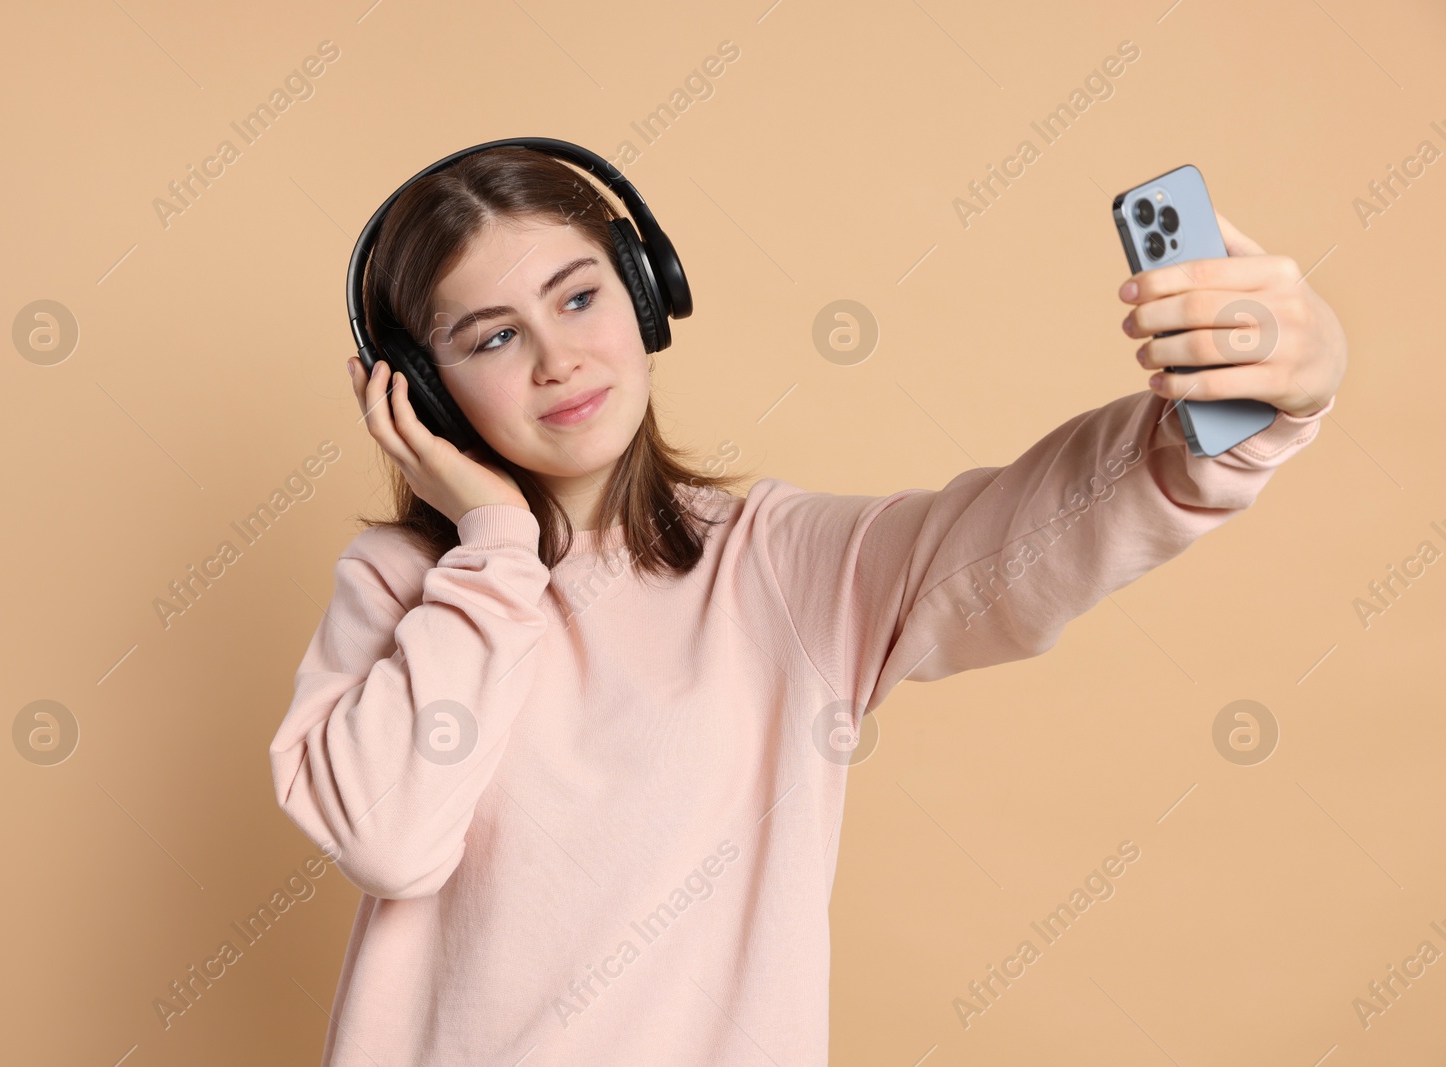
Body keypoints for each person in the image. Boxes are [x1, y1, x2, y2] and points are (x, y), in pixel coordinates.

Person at [267, 146, 1346, 1066]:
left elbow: (1025, 534)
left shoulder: (776, 563)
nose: (559, 358)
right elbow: (390, 840)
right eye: (492, 337)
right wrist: (495, 547)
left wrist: (1245, 415)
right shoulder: (401, 586)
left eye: (580, 295)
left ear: (646, 294)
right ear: (417, 387)